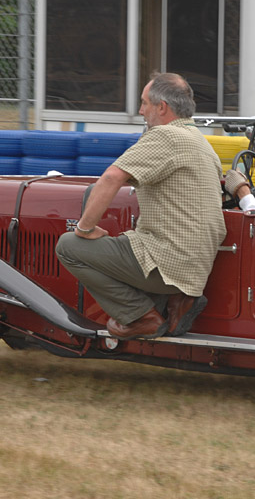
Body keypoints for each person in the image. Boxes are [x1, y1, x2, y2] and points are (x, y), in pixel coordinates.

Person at [55, 73, 226, 340]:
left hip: (170, 262)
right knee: (133, 239)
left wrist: (85, 228)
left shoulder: (165, 136)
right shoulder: (202, 144)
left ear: (162, 107)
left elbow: (112, 177)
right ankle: (173, 300)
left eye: (145, 103)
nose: (140, 110)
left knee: (69, 246)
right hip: (196, 265)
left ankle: (140, 316)